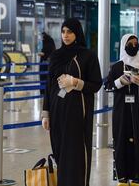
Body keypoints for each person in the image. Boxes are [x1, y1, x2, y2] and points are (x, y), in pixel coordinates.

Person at [41, 18, 102, 186]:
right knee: (60, 153)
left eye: (70, 32)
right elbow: (49, 85)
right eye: (63, 32)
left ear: (77, 33)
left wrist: (76, 83)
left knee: (75, 154)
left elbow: (96, 84)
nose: (65, 35)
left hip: (77, 113)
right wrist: (46, 113)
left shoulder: (87, 56)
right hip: (57, 111)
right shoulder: (55, 56)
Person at [104, 34, 139, 186]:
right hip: (121, 111)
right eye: (130, 43)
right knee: (121, 140)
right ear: (124, 46)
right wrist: (121, 81)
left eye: (136, 43)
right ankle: (122, 177)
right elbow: (107, 86)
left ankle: (137, 176)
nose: (133, 46)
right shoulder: (118, 66)